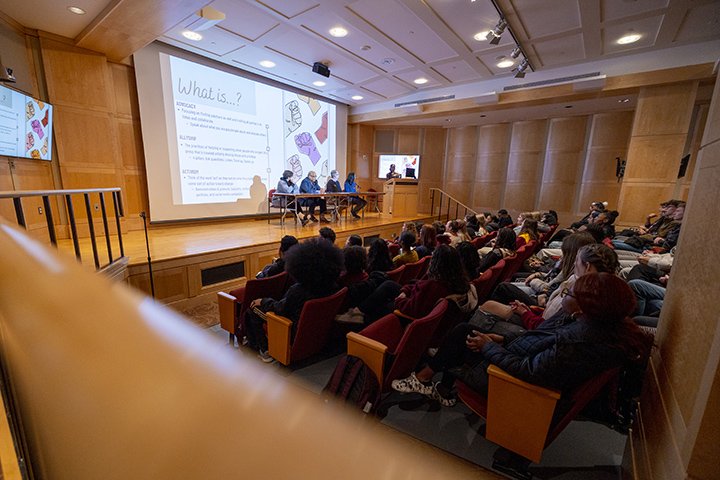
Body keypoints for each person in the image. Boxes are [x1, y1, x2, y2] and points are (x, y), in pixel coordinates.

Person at [391, 272, 650, 408]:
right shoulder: (589, 326)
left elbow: (528, 371)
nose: (564, 294)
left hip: (506, 381)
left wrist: (488, 346)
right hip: (513, 355)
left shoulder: (577, 342)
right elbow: (538, 341)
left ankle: (424, 379)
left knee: (461, 334)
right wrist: (500, 339)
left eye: (568, 292)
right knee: (465, 331)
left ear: (585, 308)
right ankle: (440, 386)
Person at [246, 238, 343, 362]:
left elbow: (280, 309)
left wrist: (263, 301)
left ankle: (265, 350)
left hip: (291, 329)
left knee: (253, 308)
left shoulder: (297, 290)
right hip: (315, 334)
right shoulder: (334, 286)